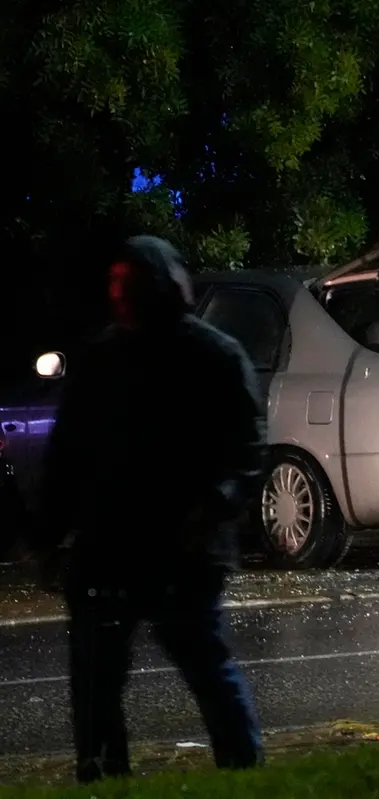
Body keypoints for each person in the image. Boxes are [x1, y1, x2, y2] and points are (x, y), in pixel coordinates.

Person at [36, 235, 267, 783]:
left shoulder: (210, 356)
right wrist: (50, 534)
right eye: (120, 286)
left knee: (202, 667)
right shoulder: (105, 359)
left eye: (133, 286)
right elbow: (68, 454)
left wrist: (209, 512)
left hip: (179, 549)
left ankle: (243, 771)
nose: (125, 297)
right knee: (99, 680)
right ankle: (104, 774)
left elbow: (246, 454)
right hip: (113, 547)